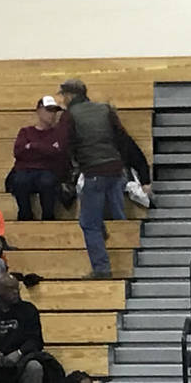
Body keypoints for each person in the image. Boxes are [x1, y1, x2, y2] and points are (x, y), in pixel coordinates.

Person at [57, 78, 126, 279]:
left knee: (89, 222)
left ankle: (102, 268)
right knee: (118, 216)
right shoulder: (105, 109)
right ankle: (126, 253)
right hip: (115, 169)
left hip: (94, 171)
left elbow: (63, 147)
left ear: (69, 95)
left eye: (63, 96)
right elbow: (121, 138)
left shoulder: (70, 116)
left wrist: (66, 175)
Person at [8, 96, 69, 221]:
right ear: (39, 111)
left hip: (47, 171)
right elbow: (19, 152)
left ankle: (48, 217)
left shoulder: (57, 133)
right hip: (26, 171)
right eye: (48, 110)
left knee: (47, 182)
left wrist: (33, 146)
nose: (52, 115)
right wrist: (46, 149)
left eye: (54, 111)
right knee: (20, 181)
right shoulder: (25, 132)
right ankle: (25, 216)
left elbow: (58, 153)